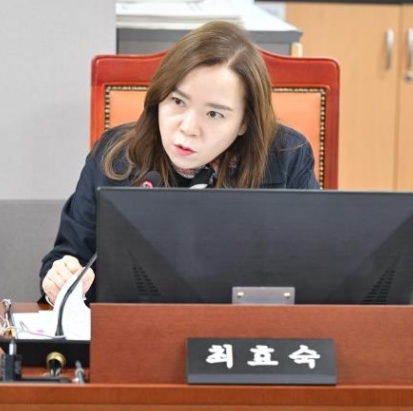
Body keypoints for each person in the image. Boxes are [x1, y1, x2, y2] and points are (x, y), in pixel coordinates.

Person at [39, 20, 320, 305]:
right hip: (137, 326)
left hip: (248, 326)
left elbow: (316, 271)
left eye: (213, 114)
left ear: (244, 122)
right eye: (177, 101)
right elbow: (68, 257)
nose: (188, 128)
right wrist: (61, 280)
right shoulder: (116, 156)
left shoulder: (287, 156)